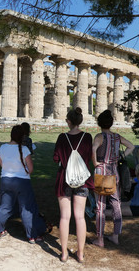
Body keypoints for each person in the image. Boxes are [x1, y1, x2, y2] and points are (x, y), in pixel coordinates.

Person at [0, 125, 46, 243]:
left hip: (5, 180)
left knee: (4, 206)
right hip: (22, 181)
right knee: (26, 208)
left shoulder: (2, 147)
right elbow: (30, 169)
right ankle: (32, 235)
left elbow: (2, 164)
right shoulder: (25, 149)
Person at [53, 107, 93, 263]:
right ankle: (81, 253)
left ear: (68, 122)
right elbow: (89, 156)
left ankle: (63, 253)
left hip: (64, 179)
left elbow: (56, 158)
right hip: (82, 180)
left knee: (64, 217)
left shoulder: (62, 137)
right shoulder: (87, 137)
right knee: (80, 217)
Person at [92, 110, 134, 248]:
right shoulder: (117, 137)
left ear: (99, 123)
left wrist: (95, 162)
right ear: (111, 123)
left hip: (101, 172)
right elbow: (131, 146)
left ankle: (100, 238)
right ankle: (115, 235)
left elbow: (93, 149)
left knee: (100, 206)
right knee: (116, 203)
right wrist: (121, 157)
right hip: (114, 172)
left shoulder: (99, 136)